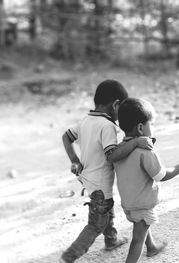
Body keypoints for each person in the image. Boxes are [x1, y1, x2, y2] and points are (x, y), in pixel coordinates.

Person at [60, 80, 154, 263]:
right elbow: (112, 155)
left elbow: (66, 137)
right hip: (100, 184)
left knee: (105, 210)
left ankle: (111, 240)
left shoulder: (86, 120)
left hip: (89, 179)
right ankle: (69, 256)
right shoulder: (108, 126)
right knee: (96, 223)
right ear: (116, 105)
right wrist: (135, 142)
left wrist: (74, 159)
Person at [114, 98, 179, 263]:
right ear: (141, 128)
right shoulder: (146, 152)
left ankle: (152, 247)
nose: (153, 128)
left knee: (142, 226)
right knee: (137, 240)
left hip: (129, 203)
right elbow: (161, 175)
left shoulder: (120, 149)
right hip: (142, 204)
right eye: (152, 124)